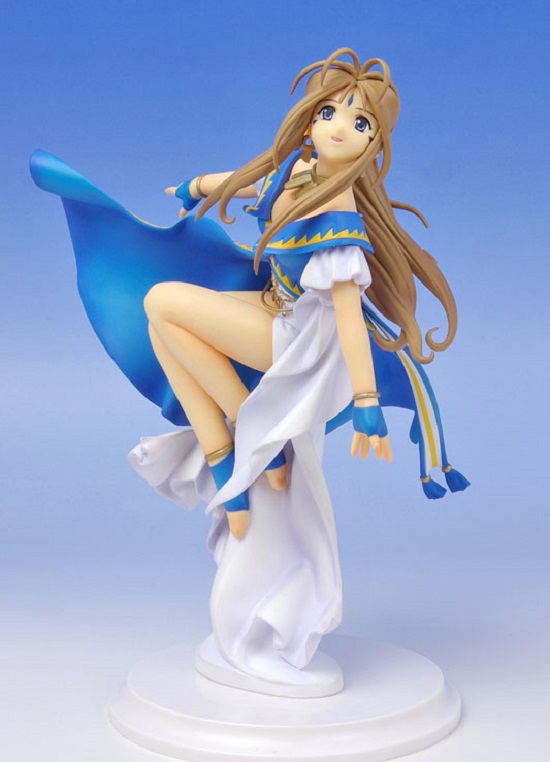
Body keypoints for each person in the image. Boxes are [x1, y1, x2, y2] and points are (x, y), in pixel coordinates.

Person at [30, 48, 468, 691]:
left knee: (162, 301)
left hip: (300, 340)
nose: (340, 127)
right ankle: (227, 462)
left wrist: (367, 401)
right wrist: (196, 187)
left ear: (375, 145)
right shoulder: (302, 169)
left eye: (361, 123)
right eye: (330, 112)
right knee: (162, 327)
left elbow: (350, 319)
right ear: (310, 118)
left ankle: (247, 432)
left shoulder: (340, 216)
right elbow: (247, 180)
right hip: (269, 305)